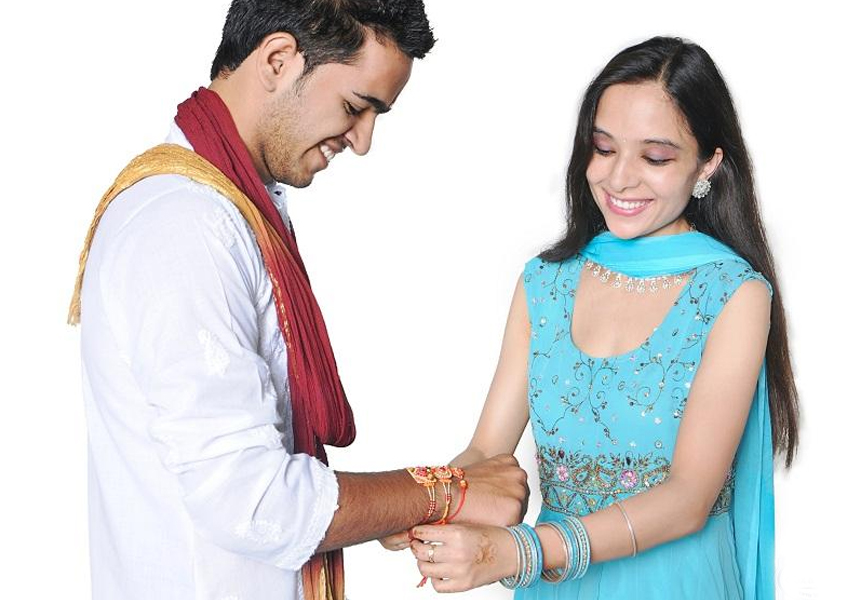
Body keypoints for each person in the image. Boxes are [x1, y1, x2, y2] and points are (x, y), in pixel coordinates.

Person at [66, 2, 528, 599]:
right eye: (356, 107)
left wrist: (416, 500)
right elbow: (252, 502)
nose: (362, 141)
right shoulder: (187, 225)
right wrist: (442, 490)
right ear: (279, 60)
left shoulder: (230, 207)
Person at [392, 36, 800, 599]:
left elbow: (688, 497)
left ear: (709, 163)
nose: (619, 178)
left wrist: (522, 551)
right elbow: (488, 452)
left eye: (655, 158)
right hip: (557, 584)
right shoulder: (545, 282)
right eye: (604, 148)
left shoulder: (732, 293)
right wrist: (427, 502)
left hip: (673, 582)